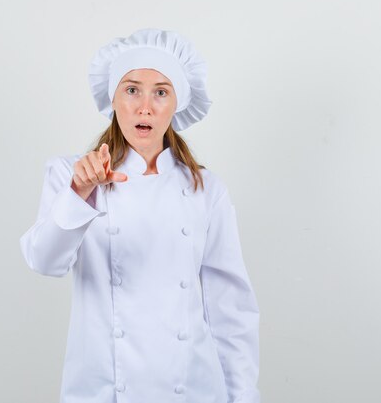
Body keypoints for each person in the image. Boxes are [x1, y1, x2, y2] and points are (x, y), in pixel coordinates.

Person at [19, 28, 261, 403]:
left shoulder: (206, 189)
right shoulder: (70, 175)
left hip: (193, 389)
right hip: (102, 390)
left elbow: (230, 309)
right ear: (112, 98)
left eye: (161, 92)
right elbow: (44, 261)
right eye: (132, 90)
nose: (145, 107)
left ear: (177, 103)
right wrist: (79, 194)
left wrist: (243, 397)